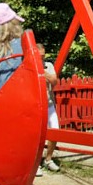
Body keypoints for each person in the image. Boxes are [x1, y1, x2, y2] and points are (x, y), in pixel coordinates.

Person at [37, 43, 61, 174]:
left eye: (43, 56)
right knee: (37, 135)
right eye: (39, 56)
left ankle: (48, 159)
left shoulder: (48, 66)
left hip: (49, 104)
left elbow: (54, 81)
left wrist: (41, 71)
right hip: (35, 106)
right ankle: (35, 164)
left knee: (55, 131)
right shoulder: (27, 67)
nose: (42, 58)